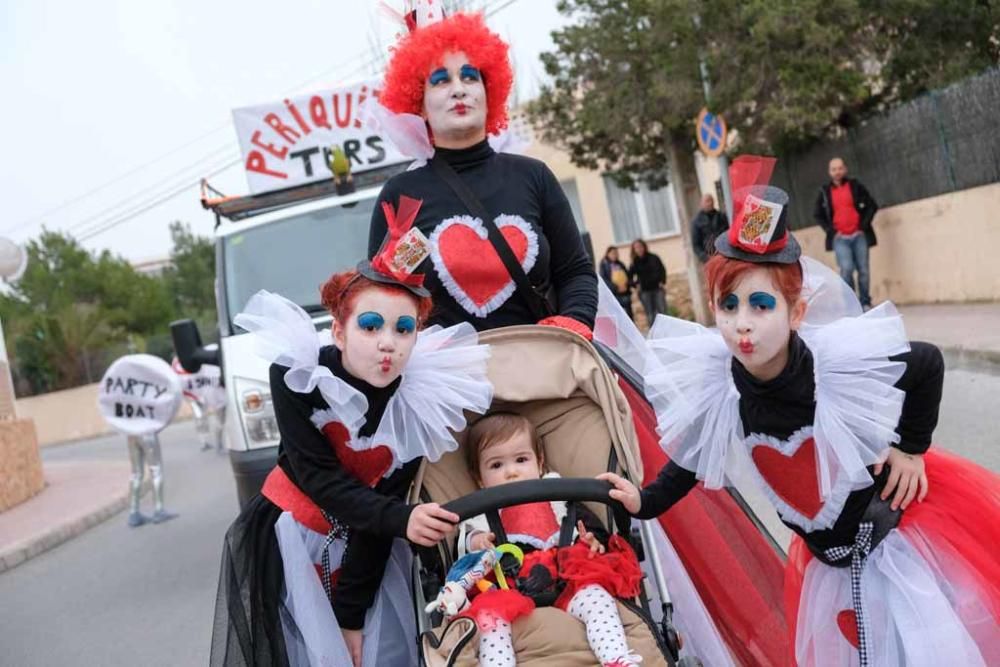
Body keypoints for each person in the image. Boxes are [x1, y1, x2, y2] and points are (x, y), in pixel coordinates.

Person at [601, 155, 1000, 666]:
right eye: (728, 306)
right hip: (826, 572)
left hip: (892, 552)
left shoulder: (834, 368)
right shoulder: (722, 382)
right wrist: (645, 500)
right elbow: (692, 458)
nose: (741, 325)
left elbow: (925, 363)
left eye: (760, 306)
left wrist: (910, 449)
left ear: (796, 312)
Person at [210, 225, 493, 667]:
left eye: (404, 329)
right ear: (338, 332)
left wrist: (349, 615)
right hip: (292, 541)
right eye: (370, 325)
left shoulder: (418, 401)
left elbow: (383, 506)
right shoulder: (298, 375)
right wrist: (402, 519)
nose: (388, 343)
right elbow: (318, 477)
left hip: (370, 549)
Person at [367, 11, 597, 339]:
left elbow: (575, 271)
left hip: (542, 371)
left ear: (490, 92)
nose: (459, 90)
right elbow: (383, 301)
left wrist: (573, 323)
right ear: (419, 103)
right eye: (441, 80)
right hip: (446, 382)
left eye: (470, 76)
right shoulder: (401, 195)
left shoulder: (534, 176)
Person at [454, 412, 643, 667]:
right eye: (496, 465)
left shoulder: (557, 491)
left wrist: (592, 540)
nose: (511, 472)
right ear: (479, 478)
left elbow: (584, 522)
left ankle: (616, 658)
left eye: (521, 460)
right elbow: (466, 538)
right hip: (508, 585)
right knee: (489, 619)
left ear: (539, 462)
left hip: (568, 575)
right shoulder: (481, 510)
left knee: (598, 598)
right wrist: (476, 542)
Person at [813, 157, 879, 309]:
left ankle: (865, 302)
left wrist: (863, 226)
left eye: (840, 168)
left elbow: (872, 205)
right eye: (834, 169)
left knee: (863, 270)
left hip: (859, 235)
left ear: (845, 169)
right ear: (830, 172)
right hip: (840, 238)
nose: (837, 172)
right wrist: (832, 231)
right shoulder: (824, 192)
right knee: (847, 269)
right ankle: (852, 304)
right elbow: (818, 214)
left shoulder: (855, 186)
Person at [628, 238, 667, 323]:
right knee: (650, 314)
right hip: (644, 291)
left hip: (657, 289)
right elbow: (629, 277)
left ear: (644, 247)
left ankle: (667, 333)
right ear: (634, 250)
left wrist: (662, 282)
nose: (639, 249)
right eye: (636, 248)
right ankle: (655, 335)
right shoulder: (634, 262)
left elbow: (662, 270)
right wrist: (636, 285)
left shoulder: (654, 257)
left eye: (640, 246)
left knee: (663, 312)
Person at [690, 193, 729, 264]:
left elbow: (728, 234)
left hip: (724, 256)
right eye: (707, 201)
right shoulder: (697, 221)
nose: (710, 203)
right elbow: (696, 245)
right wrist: (705, 258)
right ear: (701, 203)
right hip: (708, 259)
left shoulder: (721, 216)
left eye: (711, 201)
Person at [599, 246, 633, 320]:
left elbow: (628, 276)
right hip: (614, 294)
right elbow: (604, 280)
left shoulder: (621, 264)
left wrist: (626, 285)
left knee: (629, 315)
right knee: (618, 316)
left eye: (616, 253)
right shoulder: (604, 265)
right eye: (613, 253)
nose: (615, 255)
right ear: (608, 254)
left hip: (625, 293)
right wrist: (617, 287)